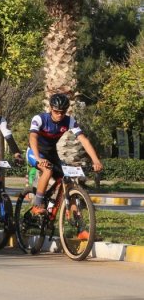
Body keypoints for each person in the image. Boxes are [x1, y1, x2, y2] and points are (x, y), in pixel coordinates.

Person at [27, 93, 103, 221]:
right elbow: (33, 137)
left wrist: (95, 160)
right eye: (56, 112)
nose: (60, 115)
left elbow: (83, 140)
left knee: (68, 182)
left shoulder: (69, 121)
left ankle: (78, 224)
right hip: (35, 152)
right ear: (51, 108)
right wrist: (38, 158)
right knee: (47, 170)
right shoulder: (40, 118)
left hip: (51, 154)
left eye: (63, 112)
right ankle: (37, 204)